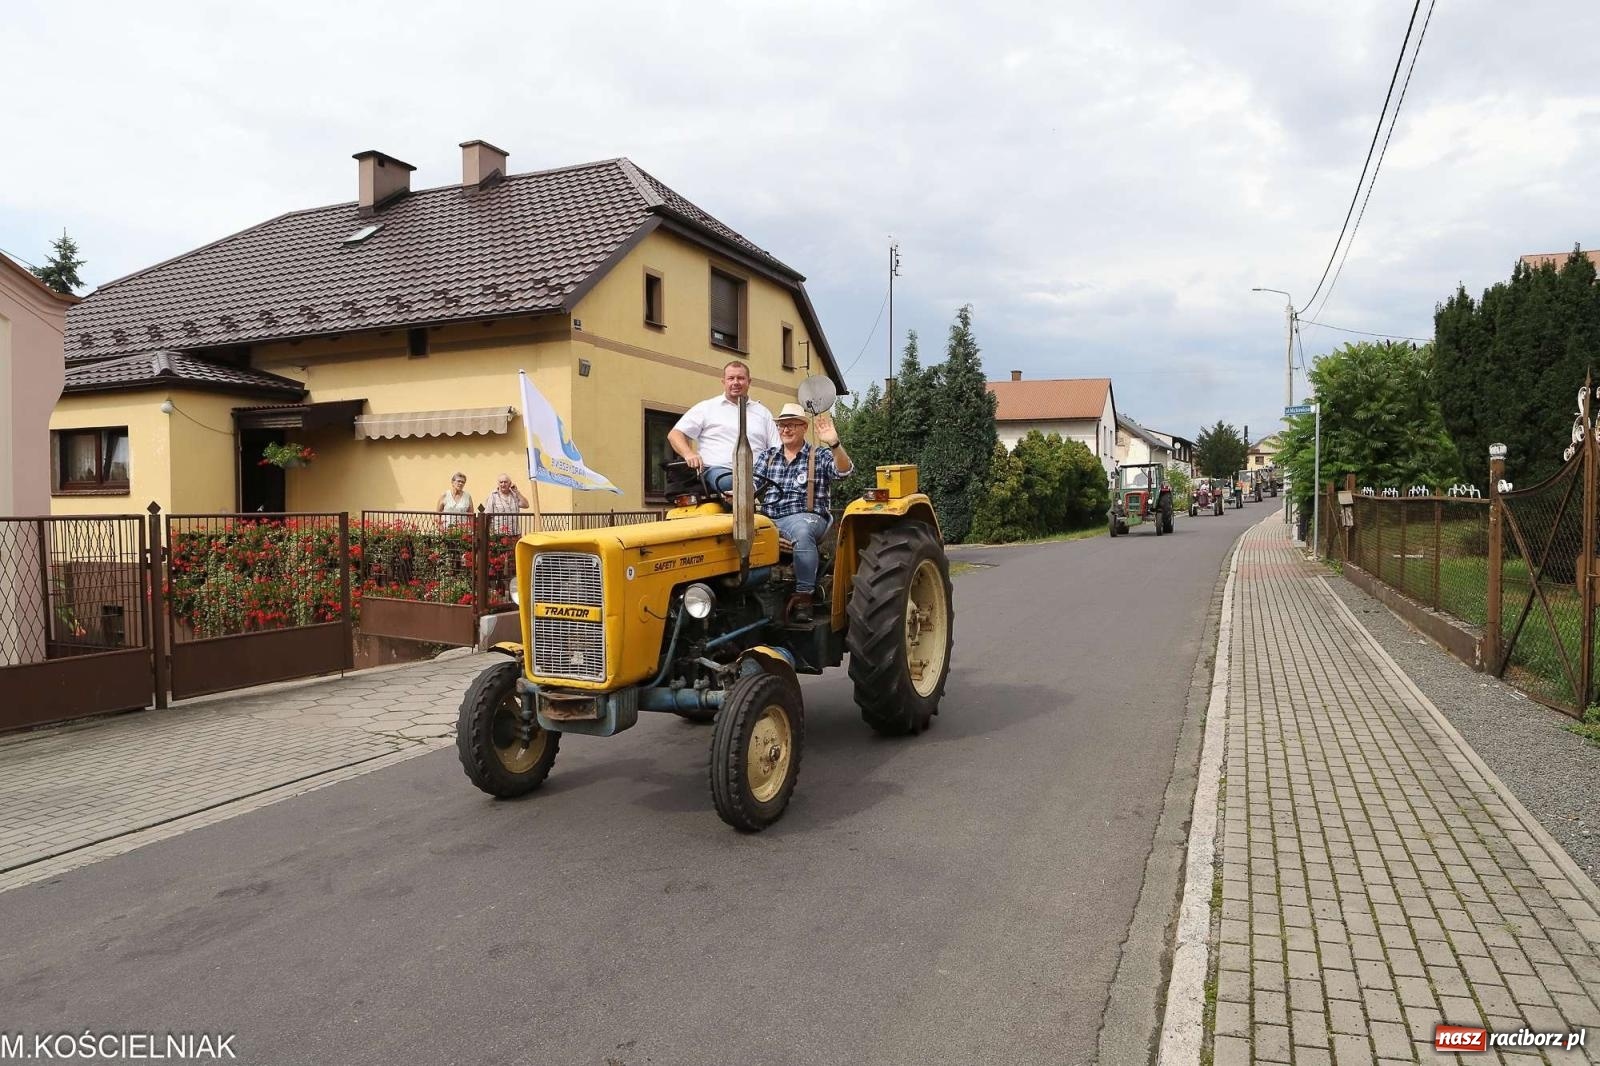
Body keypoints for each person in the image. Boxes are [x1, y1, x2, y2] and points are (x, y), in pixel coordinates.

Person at [753, 403, 853, 623]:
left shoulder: (820, 455)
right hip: (769, 518)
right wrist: (735, 492)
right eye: (782, 426)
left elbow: (844, 471)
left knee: (802, 530)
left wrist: (835, 443)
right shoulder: (767, 456)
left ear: (803, 427)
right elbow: (752, 484)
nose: (785, 430)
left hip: (806, 516)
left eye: (791, 425)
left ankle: (804, 597)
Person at [667, 360, 778, 494]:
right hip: (720, 471)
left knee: (779, 493)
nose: (735, 382)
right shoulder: (707, 408)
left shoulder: (763, 412)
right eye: (731, 378)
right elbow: (675, 434)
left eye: (741, 378)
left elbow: (776, 448)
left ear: (749, 381)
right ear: (723, 382)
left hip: (758, 475)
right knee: (731, 482)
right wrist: (689, 454)